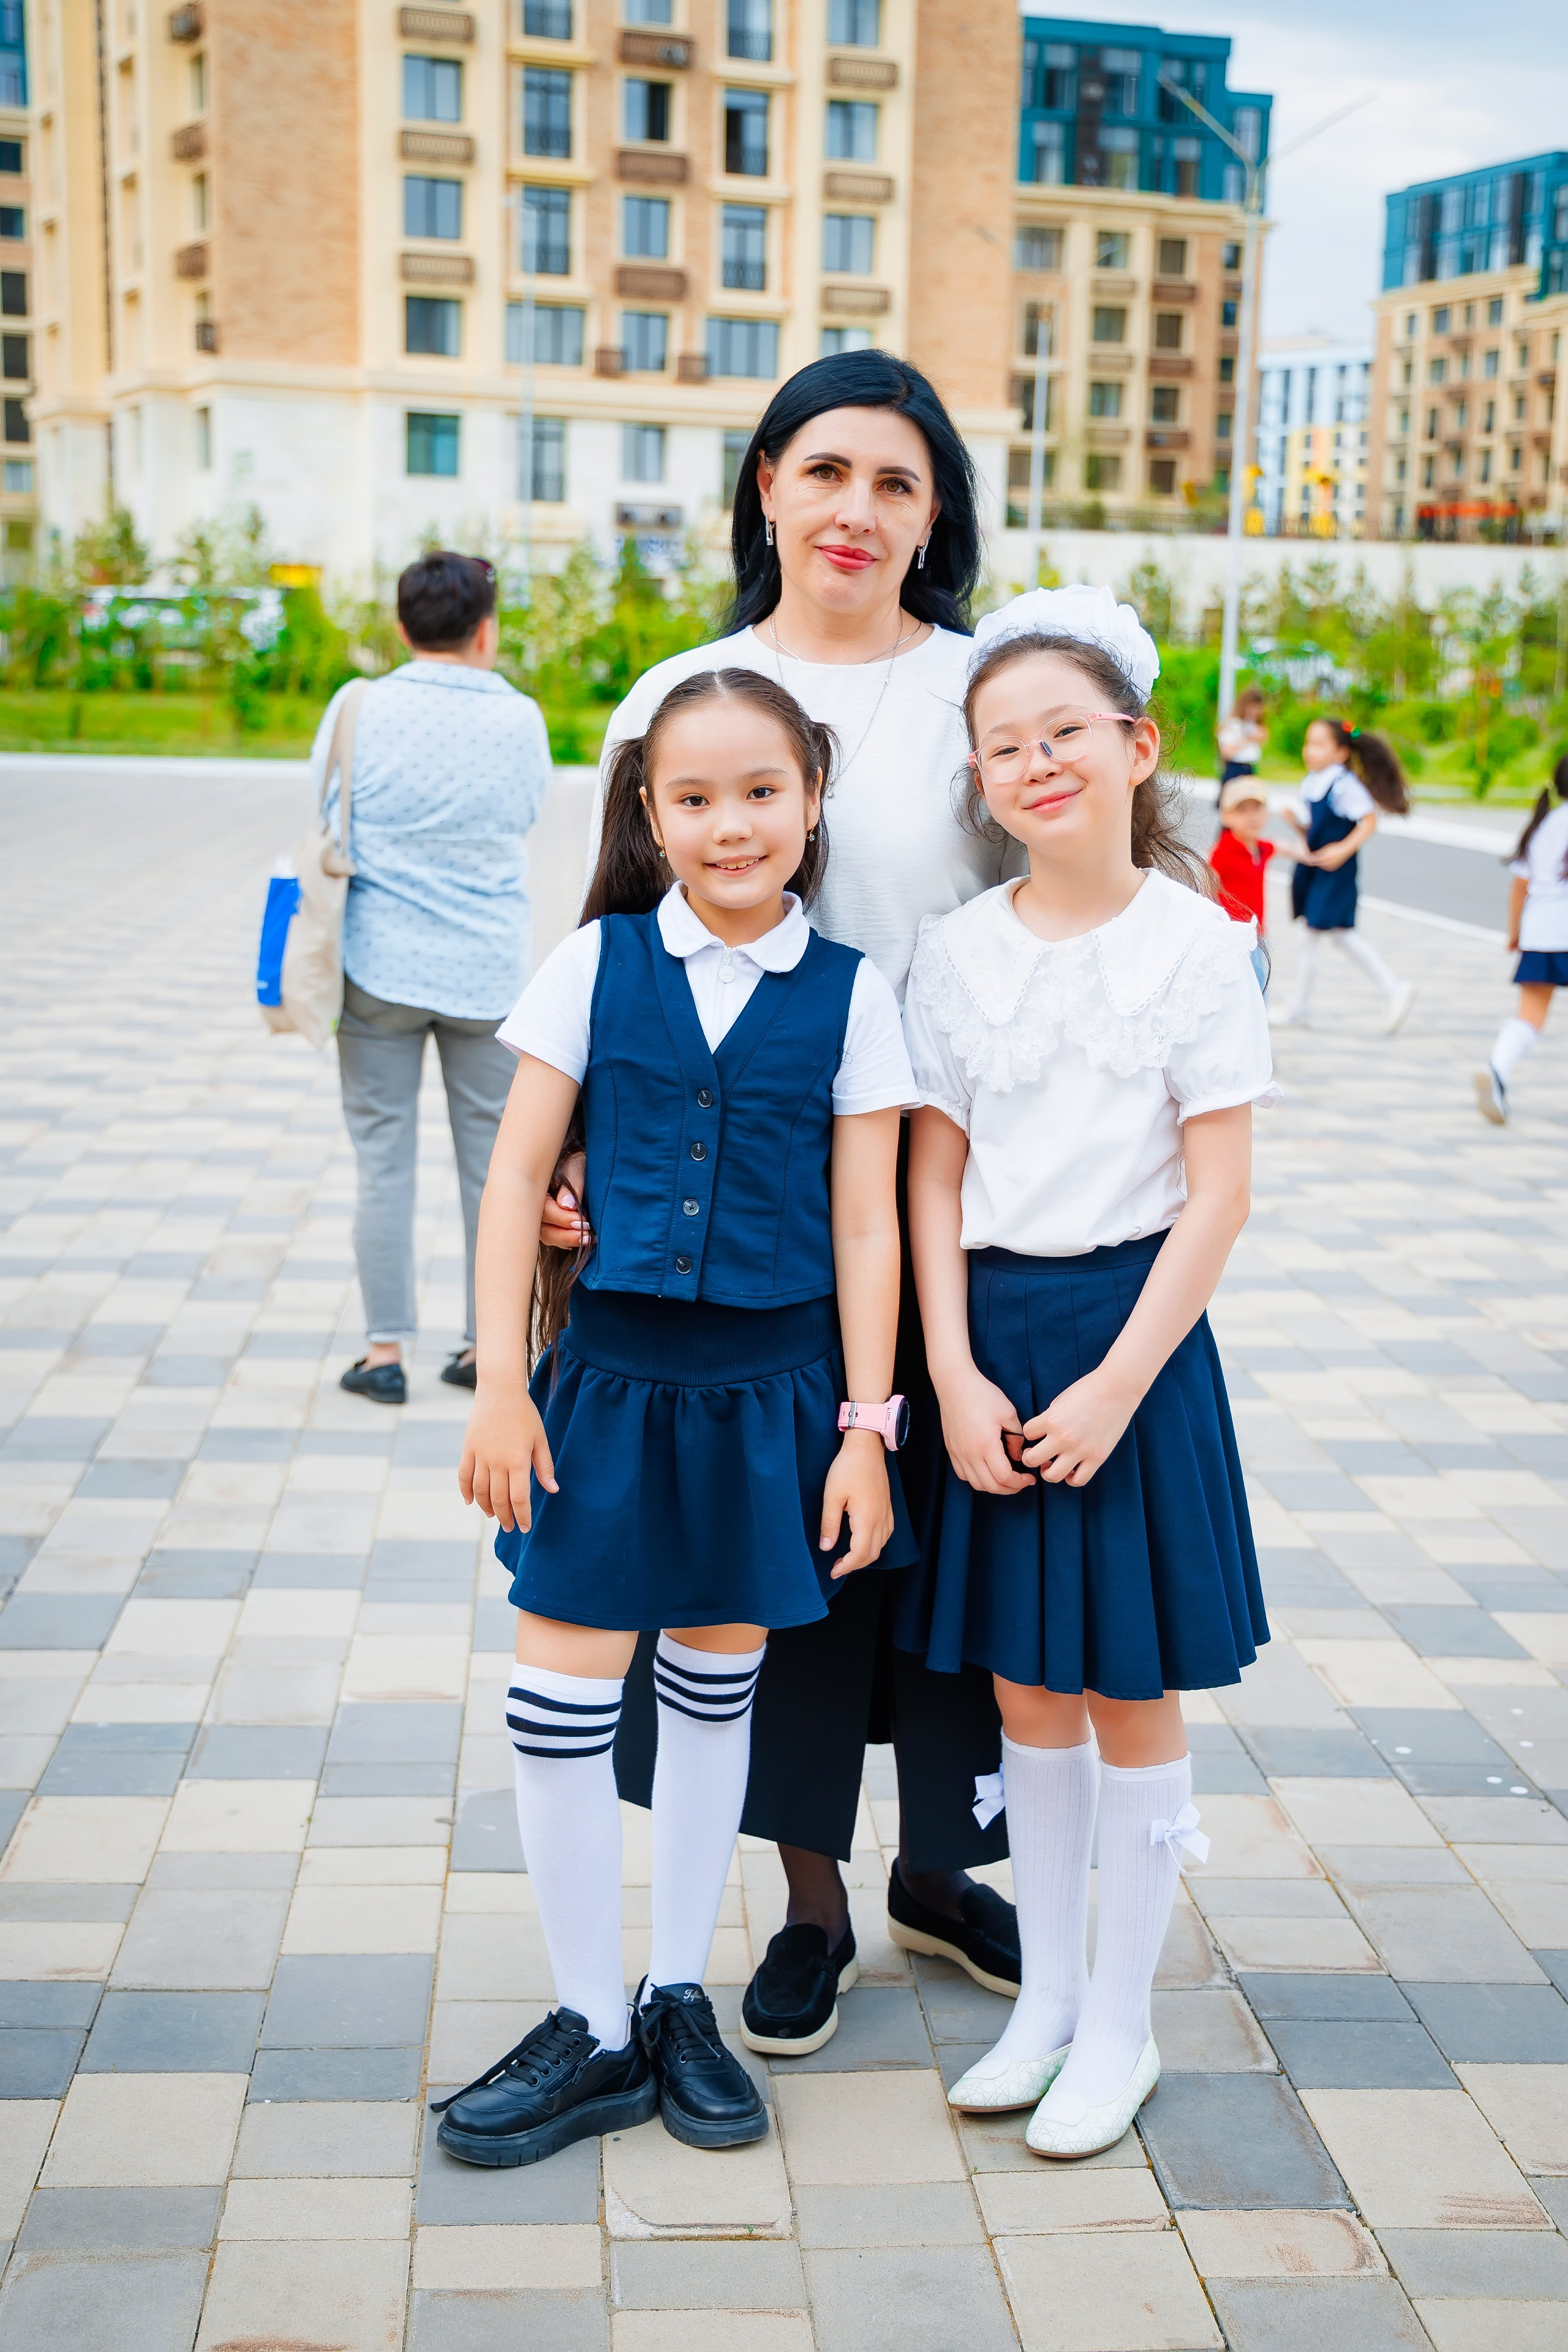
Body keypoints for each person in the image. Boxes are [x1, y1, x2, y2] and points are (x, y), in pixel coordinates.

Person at [538, 350, 1025, 2060]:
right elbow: (603, 943)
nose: (858, 510)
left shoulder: (992, 687)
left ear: (936, 511)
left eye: (898, 482)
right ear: (765, 486)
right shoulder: (687, 689)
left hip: (965, 1184)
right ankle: (812, 1906)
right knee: (795, 1547)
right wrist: (581, 1165)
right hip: (748, 1205)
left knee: (963, 1538)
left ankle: (945, 1871)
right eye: (827, 472)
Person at [432, 668, 916, 2169]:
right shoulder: (594, 964)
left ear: (812, 797)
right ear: (648, 811)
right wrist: (502, 1381)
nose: (729, 823)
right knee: (558, 1698)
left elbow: (865, 1232)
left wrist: (862, 1428)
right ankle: (588, 2019)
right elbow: (517, 1176)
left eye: (759, 790)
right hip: (610, 1389)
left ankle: (675, 1993)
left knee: (719, 1690)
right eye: (692, 797)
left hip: (775, 1400)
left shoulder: (852, 992)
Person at [898, 587, 1275, 2159]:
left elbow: (1219, 1190)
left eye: (1064, 732)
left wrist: (1120, 1381)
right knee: (1021, 1690)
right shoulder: (952, 948)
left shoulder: (1199, 943)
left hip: (1135, 1344)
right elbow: (929, 1176)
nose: (1035, 762)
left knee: (1128, 1685)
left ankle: (1120, 2021)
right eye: (1003, 744)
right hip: (989, 1340)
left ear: (1134, 745)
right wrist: (952, 1372)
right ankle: (1042, 2000)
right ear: (978, 778)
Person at [323, 551, 552, 1405]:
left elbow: (325, 810)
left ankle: (383, 1354)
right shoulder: (520, 717)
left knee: (381, 1160)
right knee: (496, 1167)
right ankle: (479, 1347)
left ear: (401, 626)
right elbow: (529, 812)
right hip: (485, 974)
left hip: (375, 966)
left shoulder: (360, 707)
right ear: (485, 630)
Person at [1271, 716, 1415, 1035]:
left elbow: (1368, 821)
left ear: (1341, 753)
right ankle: (1304, 1005)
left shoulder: (1344, 784)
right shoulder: (1314, 781)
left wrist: (1342, 851)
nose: (1310, 750)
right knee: (1326, 935)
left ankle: (1393, 988)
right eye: (1309, 743)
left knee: (1324, 934)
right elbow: (1314, 830)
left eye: (1319, 744)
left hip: (1335, 873)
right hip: (1316, 868)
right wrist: (1295, 823)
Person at [1475, 753, 1568, 1125]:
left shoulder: (1546, 824)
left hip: (1541, 931)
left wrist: (1515, 933)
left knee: (1529, 1016)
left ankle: (1497, 1069)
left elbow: (1521, 887)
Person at [1210, 778, 1275, 990]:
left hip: (1257, 933)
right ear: (1225, 816)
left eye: (1257, 809)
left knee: (1260, 986)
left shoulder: (1261, 848)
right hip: (1233, 936)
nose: (1252, 817)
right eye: (1242, 810)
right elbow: (1207, 887)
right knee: (1243, 991)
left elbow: (1286, 848)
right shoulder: (1223, 852)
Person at [1217, 687, 1267, 784]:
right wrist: (1248, 739)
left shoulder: (1253, 725)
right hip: (1235, 769)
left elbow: (1263, 735)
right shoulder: (1233, 724)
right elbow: (1227, 753)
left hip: (1250, 769)